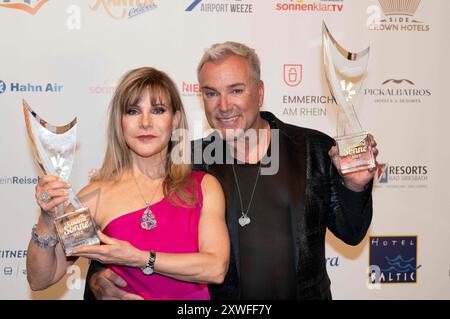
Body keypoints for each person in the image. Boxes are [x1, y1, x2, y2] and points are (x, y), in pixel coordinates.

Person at [85, 42, 378, 300]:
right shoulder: (187, 161)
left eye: (236, 90)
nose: (224, 106)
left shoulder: (312, 148)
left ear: (259, 93)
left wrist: (355, 187)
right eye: (211, 93)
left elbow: (351, 233)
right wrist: (98, 278)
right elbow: (131, 230)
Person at [27, 67, 230, 300]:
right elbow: (42, 278)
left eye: (158, 110)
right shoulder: (96, 196)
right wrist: (46, 219)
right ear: (120, 122)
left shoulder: (203, 186)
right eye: (133, 111)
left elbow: (215, 268)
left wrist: (139, 258)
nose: (145, 122)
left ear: (175, 121)